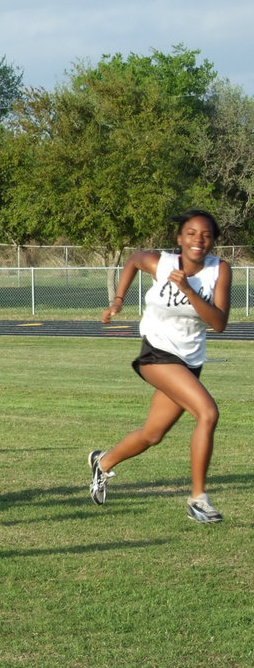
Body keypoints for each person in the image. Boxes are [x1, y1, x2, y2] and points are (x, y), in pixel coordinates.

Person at [91, 209, 231, 523]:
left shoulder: (219, 269)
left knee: (152, 435)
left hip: (189, 361)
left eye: (206, 234)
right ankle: (198, 499)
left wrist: (190, 291)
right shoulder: (162, 263)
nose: (199, 240)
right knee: (208, 413)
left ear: (213, 241)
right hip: (156, 354)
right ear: (179, 238)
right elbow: (134, 260)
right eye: (192, 233)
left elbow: (219, 323)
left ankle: (102, 463)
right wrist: (118, 300)